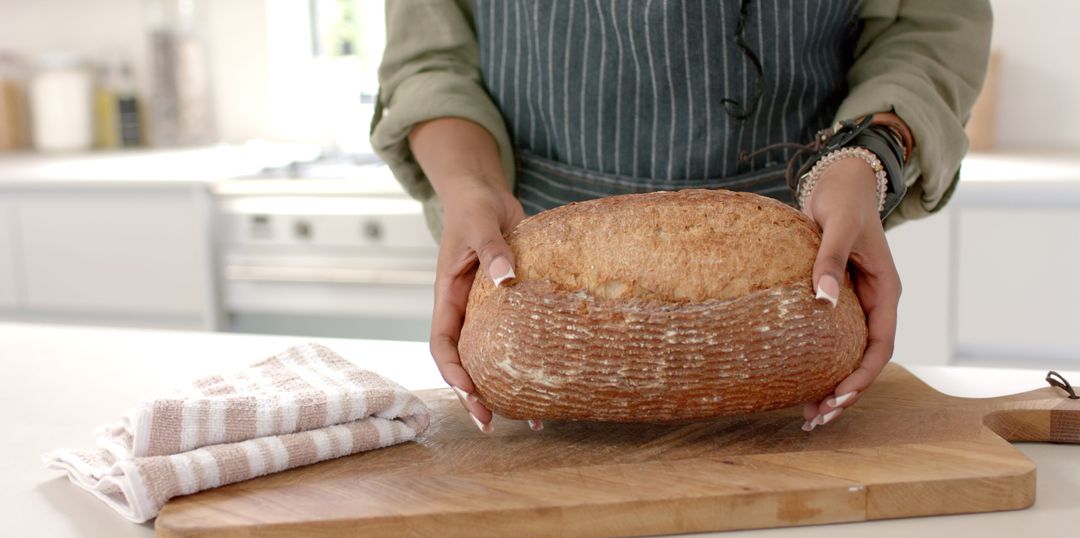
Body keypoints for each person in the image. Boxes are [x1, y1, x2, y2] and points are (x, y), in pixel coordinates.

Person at [372, 0, 992, 433]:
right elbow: (430, 61)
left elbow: (929, 27)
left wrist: (864, 160)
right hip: (523, 260)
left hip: (806, 268)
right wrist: (468, 186)